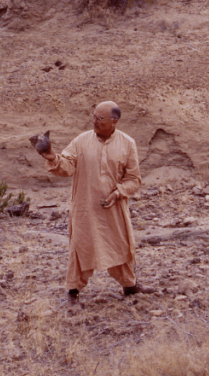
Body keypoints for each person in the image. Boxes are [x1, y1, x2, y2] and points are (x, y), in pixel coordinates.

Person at [31, 101, 154, 305]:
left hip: (113, 208)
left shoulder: (127, 143)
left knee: (120, 245)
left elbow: (134, 179)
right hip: (85, 207)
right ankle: (72, 291)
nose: (94, 121)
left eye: (99, 118)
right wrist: (52, 156)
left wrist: (118, 193)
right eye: (93, 116)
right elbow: (67, 166)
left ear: (114, 121)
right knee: (81, 246)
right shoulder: (81, 141)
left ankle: (129, 286)